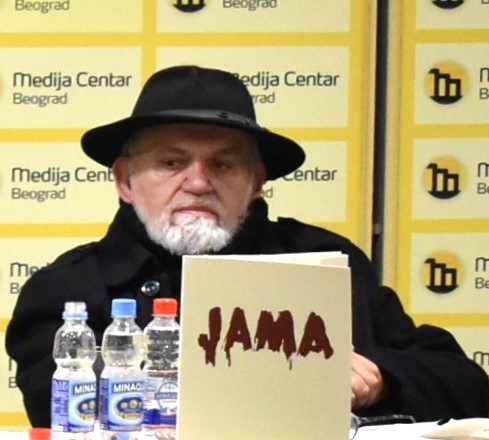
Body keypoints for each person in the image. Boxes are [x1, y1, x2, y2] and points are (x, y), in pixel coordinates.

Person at [6, 65, 489, 427]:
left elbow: (467, 385)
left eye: (223, 165)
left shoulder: (325, 264)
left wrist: (381, 380)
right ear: (126, 181)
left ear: (256, 182)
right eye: (172, 163)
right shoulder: (66, 289)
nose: (198, 182)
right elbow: (60, 409)